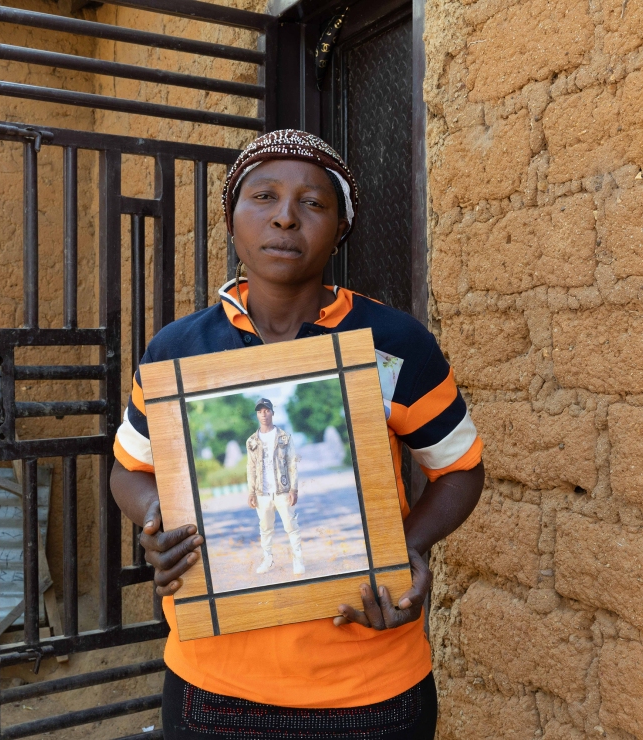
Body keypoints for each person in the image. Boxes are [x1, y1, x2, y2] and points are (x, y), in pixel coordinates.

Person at [110, 129, 484, 740]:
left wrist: (404, 548)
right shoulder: (179, 350)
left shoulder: (392, 343)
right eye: (263, 197)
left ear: (339, 228)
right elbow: (129, 468)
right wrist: (161, 515)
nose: (285, 218)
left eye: (313, 203)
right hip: (214, 689)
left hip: (371, 686)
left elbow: (461, 468)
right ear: (231, 218)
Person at [245, 398, 304, 576]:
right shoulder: (252, 441)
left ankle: (297, 560)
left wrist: (294, 489)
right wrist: (251, 492)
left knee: (291, 526)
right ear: (257, 414)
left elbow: (292, 463)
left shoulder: (284, 437)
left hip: (283, 490)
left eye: (267, 410)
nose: (263, 414)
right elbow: (251, 467)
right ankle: (268, 559)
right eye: (260, 411)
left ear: (272, 412)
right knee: (265, 528)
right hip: (262, 493)